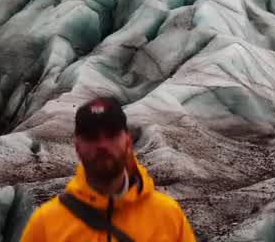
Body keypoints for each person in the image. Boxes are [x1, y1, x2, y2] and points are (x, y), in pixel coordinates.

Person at [20, 96, 196, 242]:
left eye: (111, 135)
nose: (102, 145)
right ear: (77, 147)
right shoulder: (46, 225)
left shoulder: (168, 217)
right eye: (92, 137)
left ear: (128, 141)